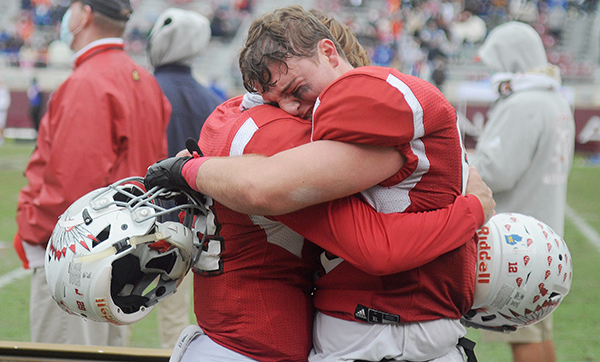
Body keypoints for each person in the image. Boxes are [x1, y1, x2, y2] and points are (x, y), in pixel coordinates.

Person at [146, 5, 495, 362]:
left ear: (330, 53)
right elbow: (371, 243)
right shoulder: (291, 127)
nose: (295, 109)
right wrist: (473, 210)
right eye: (278, 100)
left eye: (298, 90)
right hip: (349, 334)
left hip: (276, 333)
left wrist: (189, 167)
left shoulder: (248, 115)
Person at [14, 0, 171, 346]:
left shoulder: (88, 81)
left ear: (84, 14)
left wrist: (31, 226)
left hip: (79, 259)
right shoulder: (143, 79)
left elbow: (71, 185)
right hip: (123, 253)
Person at [468, 21, 575, 362]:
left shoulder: (522, 104)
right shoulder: (552, 98)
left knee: (523, 335)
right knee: (538, 330)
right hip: (544, 234)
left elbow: (496, 171)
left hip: (518, 244)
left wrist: (461, 159)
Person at [147, 7, 222, 350]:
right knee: (185, 320)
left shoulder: (147, 90)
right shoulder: (212, 100)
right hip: (199, 223)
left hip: (151, 219)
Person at [0, 80, 10, 145]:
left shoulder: (4, 89)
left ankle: (1, 138)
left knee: (1, 124)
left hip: (2, 110)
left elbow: (6, 100)